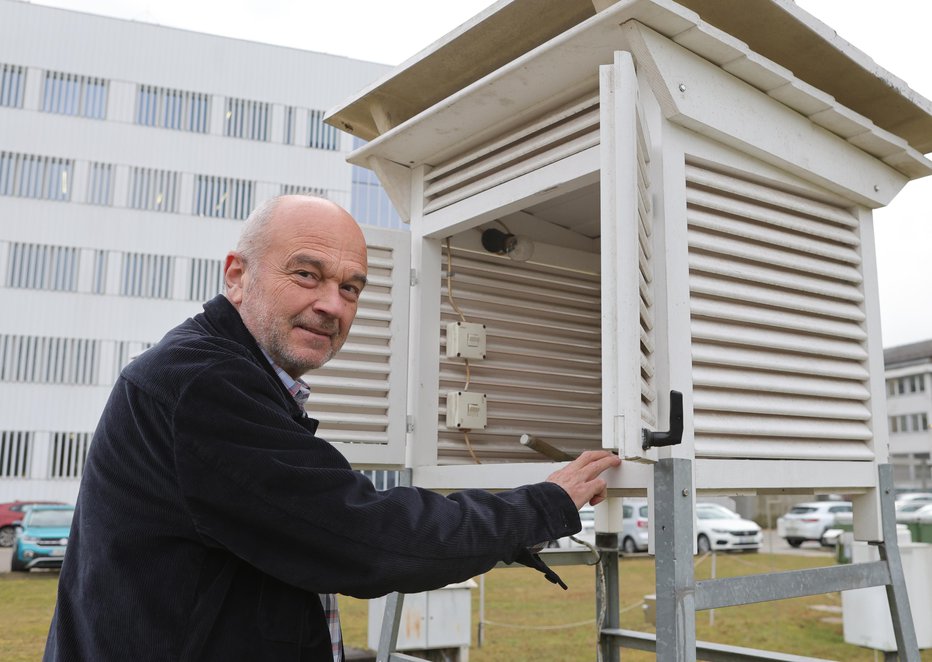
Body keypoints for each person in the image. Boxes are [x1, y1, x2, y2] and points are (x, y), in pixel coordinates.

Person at [44, 195, 620, 662]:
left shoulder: (224, 373)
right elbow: (365, 536)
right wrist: (544, 504)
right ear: (237, 276)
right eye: (306, 274)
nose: (332, 305)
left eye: (350, 287)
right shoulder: (204, 385)